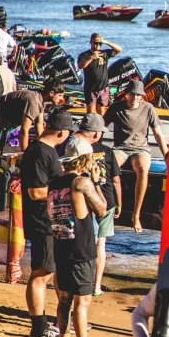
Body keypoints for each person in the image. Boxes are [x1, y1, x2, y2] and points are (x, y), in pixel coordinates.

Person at [48, 138, 110, 337]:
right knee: (82, 302)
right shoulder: (81, 182)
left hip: (60, 244)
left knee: (63, 299)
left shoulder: (54, 181)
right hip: (81, 249)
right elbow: (102, 210)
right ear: (85, 159)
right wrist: (98, 182)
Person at [21, 111, 72, 337]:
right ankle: (38, 329)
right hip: (41, 221)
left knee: (47, 271)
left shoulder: (46, 151)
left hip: (49, 220)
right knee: (42, 273)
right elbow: (35, 191)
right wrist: (66, 191)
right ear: (61, 132)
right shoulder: (40, 152)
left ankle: (43, 324)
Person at [103, 80, 168, 233]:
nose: (135, 98)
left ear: (142, 96)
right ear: (127, 94)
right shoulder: (116, 107)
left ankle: (136, 214)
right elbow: (101, 127)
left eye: (139, 95)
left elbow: (158, 134)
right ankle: (113, 207)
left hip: (141, 149)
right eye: (133, 95)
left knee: (143, 169)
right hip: (121, 148)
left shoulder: (148, 108)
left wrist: (167, 156)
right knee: (108, 168)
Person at [67, 114, 121, 296]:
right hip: (101, 199)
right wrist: (120, 204)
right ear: (97, 133)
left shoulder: (71, 146)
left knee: (80, 243)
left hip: (79, 205)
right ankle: (95, 286)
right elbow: (116, 182)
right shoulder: (106, 150)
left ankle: (78, 284)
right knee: (100, 244)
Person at [0, 79, 65, 159]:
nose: (61, 99)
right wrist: (25, 154)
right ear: (51, 93)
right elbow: (24, 130)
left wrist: (44, 147)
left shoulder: (40, 99)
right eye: (59, 96)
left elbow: (39, 126)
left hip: (5, 122)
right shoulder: (33, 102)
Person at [77, 33, 122, 115]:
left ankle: (100, 127)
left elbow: (119, 50)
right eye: (95, 42)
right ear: (91, 42)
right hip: (90, 89)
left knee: (101, 112)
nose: (98, 45)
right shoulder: (84, 55)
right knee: (91, 113)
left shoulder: (104, 53)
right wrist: (91, 58)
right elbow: (80, 66)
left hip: (103, 87)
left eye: (99, 43)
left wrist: (106, 42)